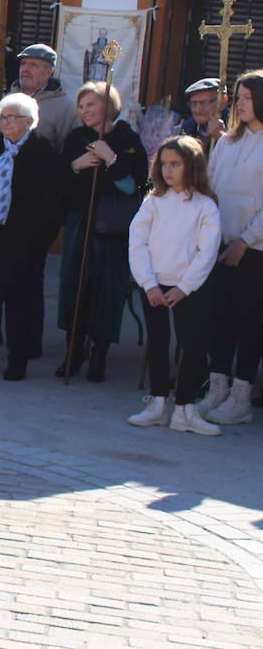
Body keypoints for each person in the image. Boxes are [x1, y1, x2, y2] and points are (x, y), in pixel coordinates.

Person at [0, 92, 61, 381]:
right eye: (2, 117)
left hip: (21, 241)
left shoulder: (43, 153)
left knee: (18, 304)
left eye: (12, 117)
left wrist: (35, 242)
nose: (5, 122)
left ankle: (17, 360)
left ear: (29, 121)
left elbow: (51, 205)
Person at [126, 136, 221, 435]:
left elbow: (207, 252)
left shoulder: (206, 206)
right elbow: (137, 242)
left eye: (176, 164)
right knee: (157, 342)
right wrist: (149, 284)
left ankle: (185, 409)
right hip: (154, 284)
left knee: (193, 346)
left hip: (189, 289)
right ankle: (156, 404)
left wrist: (185, 287)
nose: (168, 170)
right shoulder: (153, 201)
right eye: (164, 164)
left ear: (191, 165)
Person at [55, 82, 148, 381]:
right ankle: (74, 348)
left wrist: (112, 159)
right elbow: (61, 184)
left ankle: (100, 351)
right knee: (76, 284)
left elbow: (137, 186)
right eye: (81, 107)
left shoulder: (126, 138)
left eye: (91, 105)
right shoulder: (76, 137)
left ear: (108, 106)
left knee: (108, 288)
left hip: (113, 225)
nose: (85, 112)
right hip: (82, 222)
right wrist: (75, 165)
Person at [199, 70, 263, 425]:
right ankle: (218, 388)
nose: (240, 103)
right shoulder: (226, 142)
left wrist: (246, 240)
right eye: (238, 96)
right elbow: (211, 187)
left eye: (248, 96)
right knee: (218, 319)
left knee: (248, 322)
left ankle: (241, 397)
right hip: (220, 244)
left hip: (254, 250)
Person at [0, 44, 77, 154]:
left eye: (33, 65)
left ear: (49, 72)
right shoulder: (7, 100)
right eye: (23, 64)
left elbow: (66, 152)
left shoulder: (65, 107)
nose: (25, 69)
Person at [179, 77, 226, 147]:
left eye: (204, 103)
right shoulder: (187, 128)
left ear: (223, 102)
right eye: (194, 103)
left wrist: (221, 137)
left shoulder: (236, 129)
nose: (198, 110)